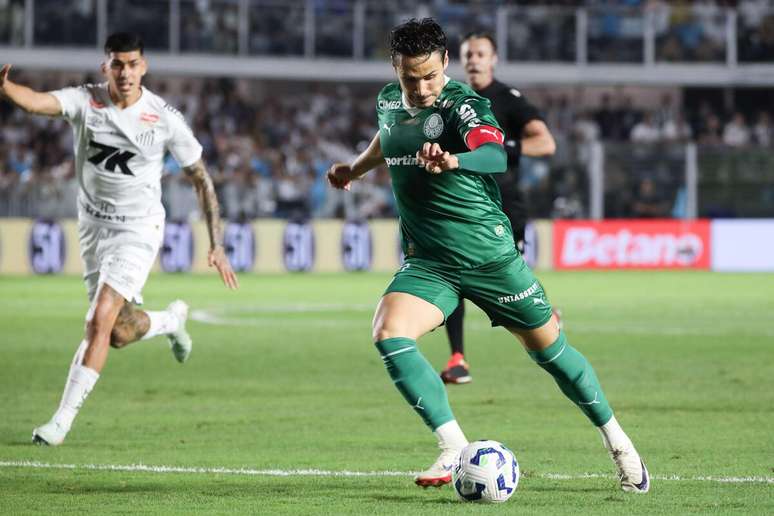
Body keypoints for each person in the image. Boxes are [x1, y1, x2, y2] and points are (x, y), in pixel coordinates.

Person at [326, 18, 649, 493]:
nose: (420, 88)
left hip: (490, 258)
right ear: (396, 70)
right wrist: (353, 168)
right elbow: (388, 134)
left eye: (430, 76)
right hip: (431, 261)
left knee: (552, 354)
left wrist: (455, 159)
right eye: (410, 78)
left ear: (445, 64)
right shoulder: (389, 101)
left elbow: (495, 154)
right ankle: (454, 444)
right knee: (389, 332)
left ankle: (619, 444)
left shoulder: (465, 104)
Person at [0, 32, 239, 446]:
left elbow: (201, 178)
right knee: (118, 332)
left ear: (143, 66)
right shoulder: (85, 101)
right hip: (93, 230)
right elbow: (38, 102)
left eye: (132, 64)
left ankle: (60, 422)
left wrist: (216, 243)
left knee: (99, 318)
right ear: (105, 67)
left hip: (138, 229)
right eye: (117, 64)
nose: (125, 72)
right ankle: (170, 320)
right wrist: (5, 88)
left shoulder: (163, 117)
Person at [440, 31, 558, 385]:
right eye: (468, 54)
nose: (474, 59)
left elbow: (545, 143)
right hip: (460, 206)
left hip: (503, 208)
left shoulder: (508, 99)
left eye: (480, 53)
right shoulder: (448, 98)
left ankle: (544, 315)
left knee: (511, 290)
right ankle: (458, 358)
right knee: (452, 278)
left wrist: (502, 147)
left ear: (493, 59)